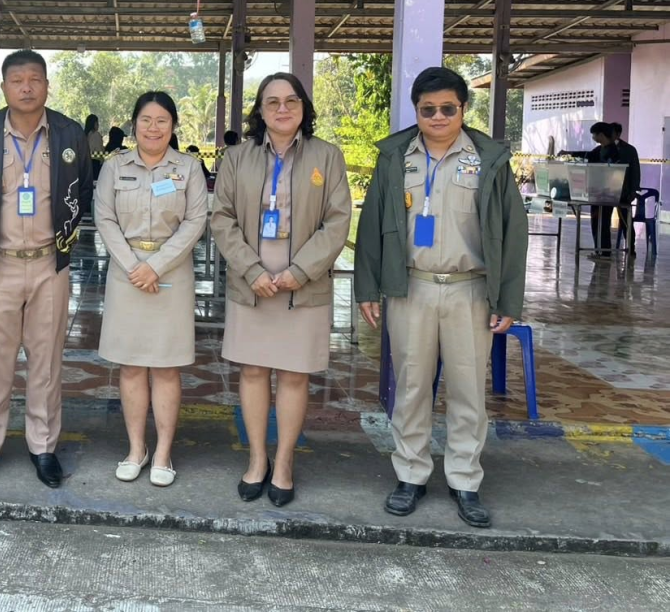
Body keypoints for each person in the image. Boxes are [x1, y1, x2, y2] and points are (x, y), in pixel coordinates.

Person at [354, 66, 527, 529]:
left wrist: (508, 298)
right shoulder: (395, 157)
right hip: (411, 287)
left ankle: (465, 480)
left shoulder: (488, 158)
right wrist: (367, 287)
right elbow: (371, 226)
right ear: (416, 111)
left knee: (469, 390)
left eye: (447, 108)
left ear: (463, 110)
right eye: (427, 109)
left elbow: (513, 232)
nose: (437, 117)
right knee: (411, 387)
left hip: (470, 289)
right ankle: (410, 475)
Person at [212, 73, 351, 507]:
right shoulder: (237, 158)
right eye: (272, 102)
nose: (282, 109)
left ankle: (285, 462)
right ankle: (256, 460)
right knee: (252, 372)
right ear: (260, 111)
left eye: (291, 100)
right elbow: (222, 218)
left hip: (301, 287)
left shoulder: (326, 157)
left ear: (304, 108)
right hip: (251, 283)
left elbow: (337, 220)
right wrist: (251, 269)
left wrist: (301, 271)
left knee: (293, 375)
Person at [0, 50, 92, 488]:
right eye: (18, 80)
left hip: (50, 266)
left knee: (47, 361)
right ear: (4, 87)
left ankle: (43, 446)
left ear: (47, 85)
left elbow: (82, 191)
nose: (27, 87)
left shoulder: (69, 133)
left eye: (35, 79)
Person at [94, 92, 208, 487]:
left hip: (171, 275)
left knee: (165, 365)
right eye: (146, 120)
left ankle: (163, 454)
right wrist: (134, 267)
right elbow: (104, 218)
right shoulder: (114, 166)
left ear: (173, 126)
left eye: (162, 120)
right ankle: (135, 449)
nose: (153, 127)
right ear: (133, 124)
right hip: (127, 275)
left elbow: (195, 222)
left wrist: (155, 266)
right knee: (130, 365)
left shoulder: (189, 168)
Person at [585, 122, 619, 257]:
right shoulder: (599, 150)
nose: (593, 137)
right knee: (596, 222)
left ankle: (604, 252)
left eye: (594, 134)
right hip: (596, 191)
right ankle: (598, 250)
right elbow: (587, 155)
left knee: (603, 223)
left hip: (607, 193)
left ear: (601, 134)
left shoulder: (612, 151)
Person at [611, 122, 641, 257]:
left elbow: (635, 171)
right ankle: (603, 249)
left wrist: (633, 190)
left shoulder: (629, 150)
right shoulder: (603, 148)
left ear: (617, 134)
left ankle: (631, 247)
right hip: (606, 191)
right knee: (603, 220)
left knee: (626, 222)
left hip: (624, 191)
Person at [84, 114, 105, 180]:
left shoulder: (84, 135)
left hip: (85, 163)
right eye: (97, 123)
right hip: (95, 163)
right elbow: (99, 152)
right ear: (94, 123)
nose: (98, 125)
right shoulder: (96, 135)